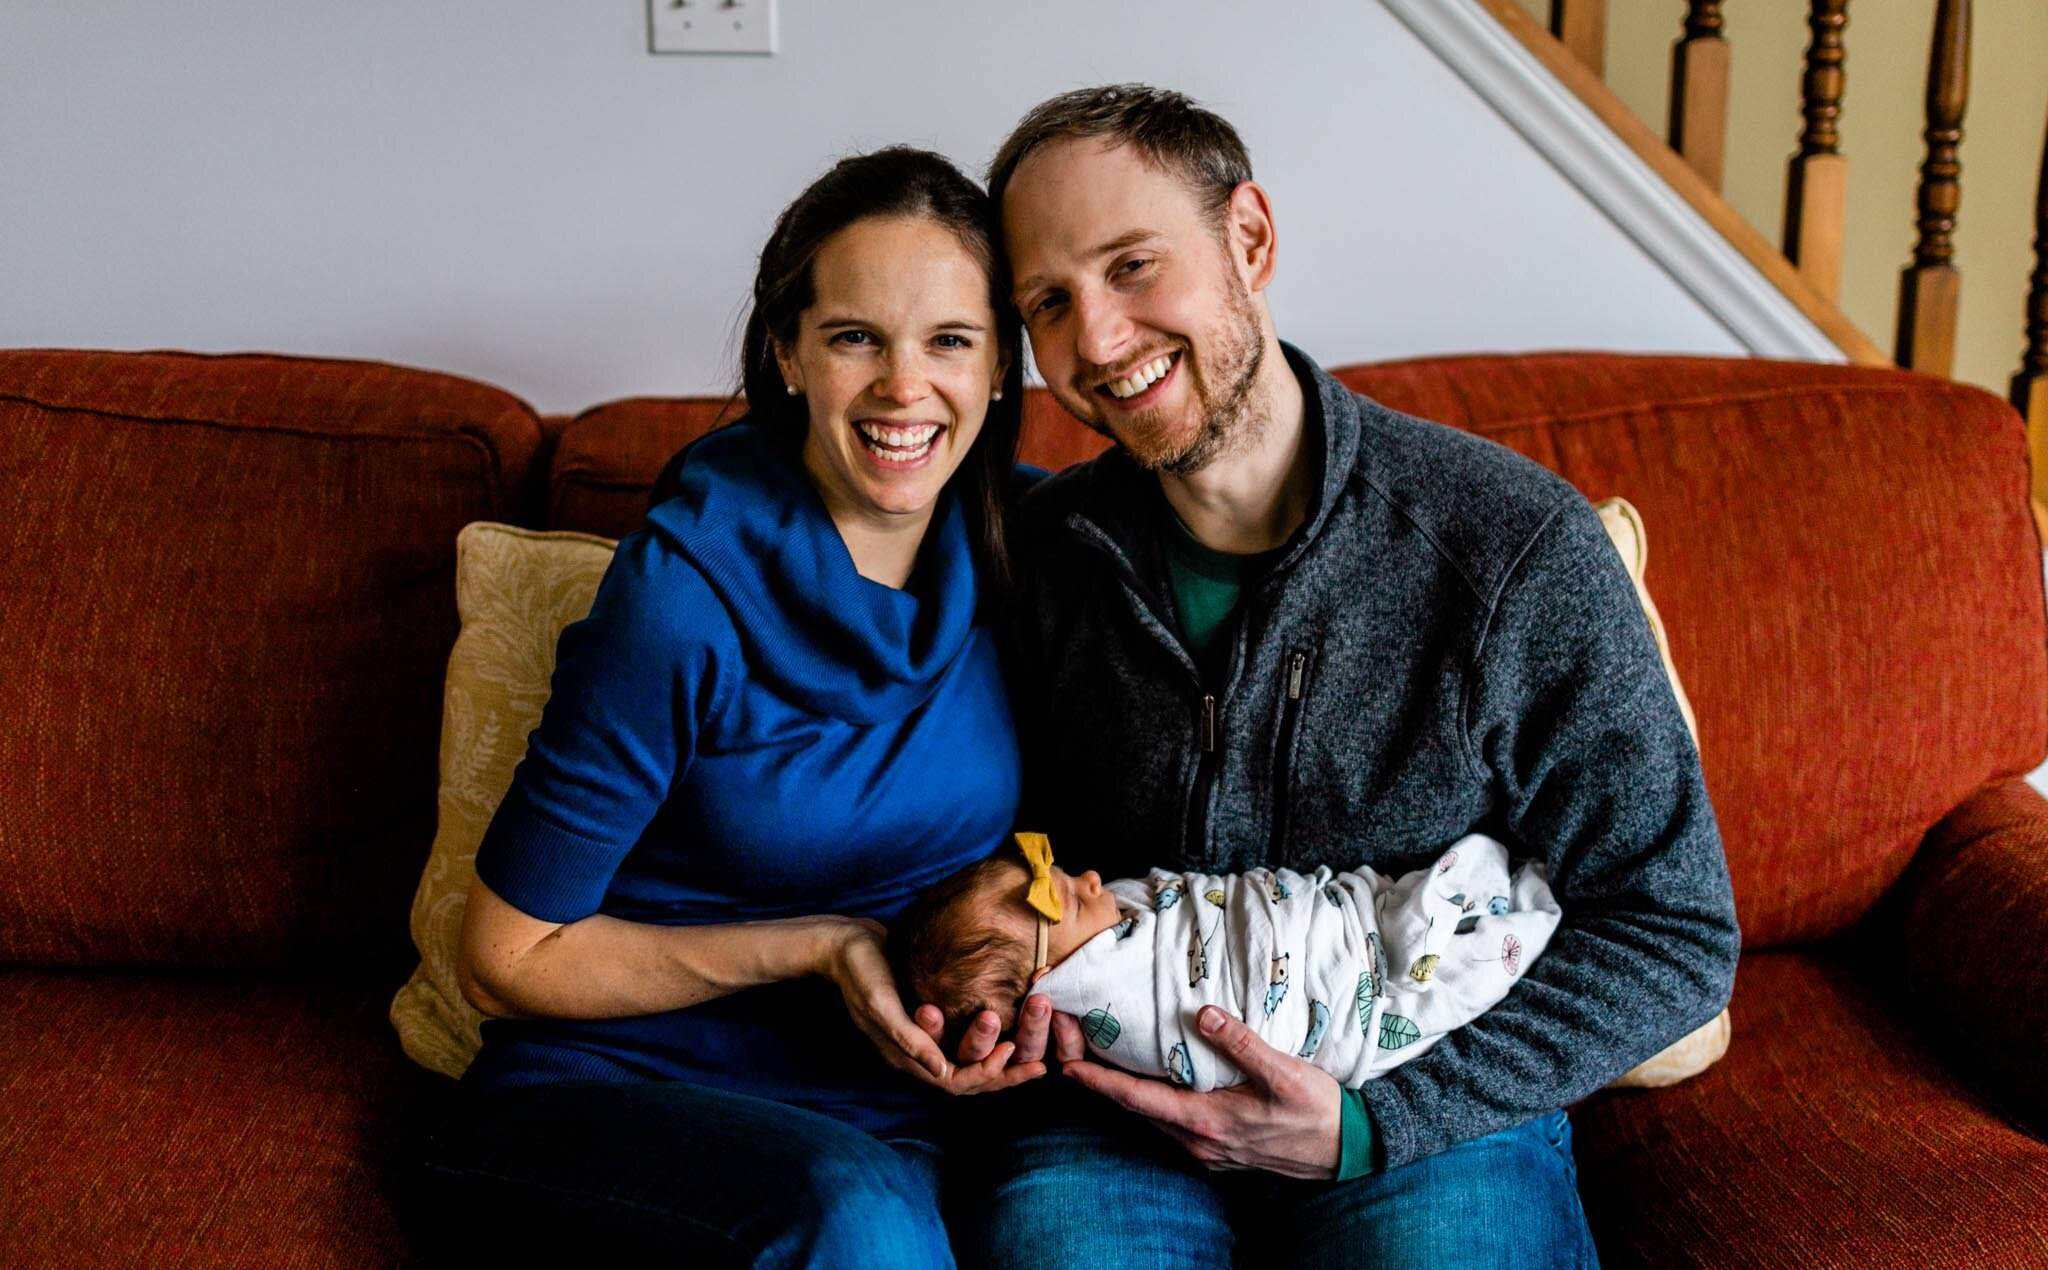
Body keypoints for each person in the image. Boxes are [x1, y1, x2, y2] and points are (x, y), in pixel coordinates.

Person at [927, 86, 1741, 1268]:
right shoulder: (1041, 556)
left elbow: (1669, 925)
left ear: (1247, 238)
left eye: (1132, 265)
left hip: (1421, 1110)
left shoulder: (1508, 550)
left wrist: (1371, 1125)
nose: (1096, 340)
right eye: (1047, 302)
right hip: (1109, 1112)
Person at [407, 146, 1044, 1267]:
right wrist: (817, 949)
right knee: (861, 1218)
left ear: (998, 369)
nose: (905, 387)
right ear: (790, 352)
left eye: (948, 340)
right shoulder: (679, 596)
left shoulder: (1032, 551)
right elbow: (504, 957)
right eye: (856, 337)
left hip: (906, 1108)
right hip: (615, 1096)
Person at [892, 831, 1561, 1088]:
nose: (1092, 878)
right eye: (1066, 893)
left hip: (1337, 922)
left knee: (1419, 911)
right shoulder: (1121, 1003)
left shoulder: (1111, 918)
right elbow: (1215, 1039)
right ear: (1048, 979)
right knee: (1450, 968)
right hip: (1349, 999)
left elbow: (1195, 908)